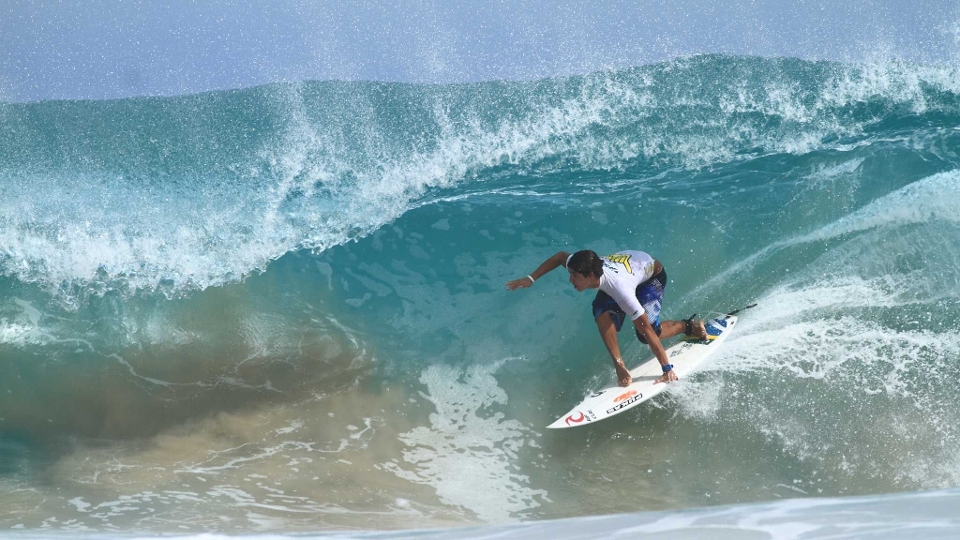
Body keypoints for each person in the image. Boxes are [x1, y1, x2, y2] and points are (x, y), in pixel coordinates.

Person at [506, 249, 708, 387]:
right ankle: (620, 364)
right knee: (600, 312)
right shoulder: (589, 268)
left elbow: (645, 327)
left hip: (651, 275)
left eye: (575, 276)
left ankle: (688, 326)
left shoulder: (620, 289)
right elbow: (560, 257)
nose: (570, 280)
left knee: (646, 335)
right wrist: (530, 278)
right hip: (630, 268)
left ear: (590, 275)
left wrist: (667, 369)